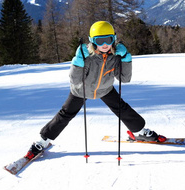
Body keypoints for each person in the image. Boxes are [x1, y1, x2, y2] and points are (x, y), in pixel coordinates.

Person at [25, 21, 165, 160]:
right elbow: (75, 80)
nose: (105, 44)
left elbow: (125, 78)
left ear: (114, 39)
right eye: (100, 40)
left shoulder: (115, 56)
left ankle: (139, 132)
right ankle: (42, 142)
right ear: (93, 41)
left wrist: (125, 59)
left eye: (108, 40)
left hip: (105, 89)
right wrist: (78, 61)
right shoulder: (87, 57)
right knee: (66, 114)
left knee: (122, 108)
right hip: (82, 90)